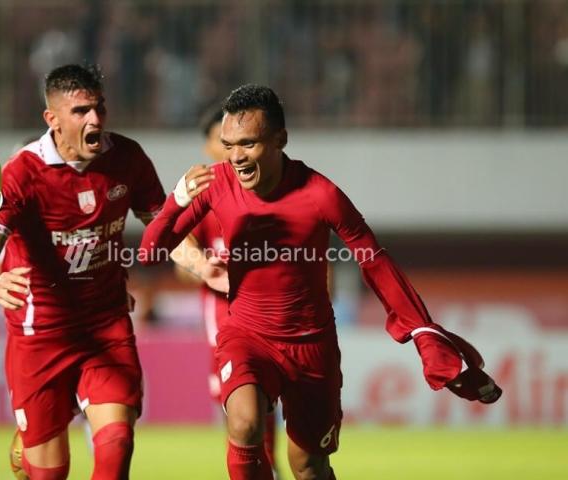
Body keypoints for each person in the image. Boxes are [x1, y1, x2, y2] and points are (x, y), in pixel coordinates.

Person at [139, 84, 501, 480]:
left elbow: (375, 261)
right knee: (244, 426)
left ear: (280, 139)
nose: (236, 157)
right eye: (229, 145)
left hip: (311, 345)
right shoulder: (217, 184)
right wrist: (176, 199)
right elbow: (150, 253)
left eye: (248, 144)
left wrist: (421, 330)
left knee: (308, 465)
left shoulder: (321, 194)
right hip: (246, 334)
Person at [0, 63, 221, 480]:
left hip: (104, 327)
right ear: (52, 120)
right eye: (80, 111)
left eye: (99, 108)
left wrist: (205, 266)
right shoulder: (22, 174)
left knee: (116, 449)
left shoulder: (126, 159)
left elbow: (161, 226)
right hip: (39, 337)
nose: (95, 119)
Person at [174, 106, 279, 476]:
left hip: (272, 318)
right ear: (209, 148)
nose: (235, 149)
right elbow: (178, 255)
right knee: (240, 411)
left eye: (243, 140)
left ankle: (270, 467)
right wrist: (206, 268)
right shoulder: (204, 196)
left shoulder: (270, 189)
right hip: (224, 325)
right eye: (224, 141)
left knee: (268, 408)